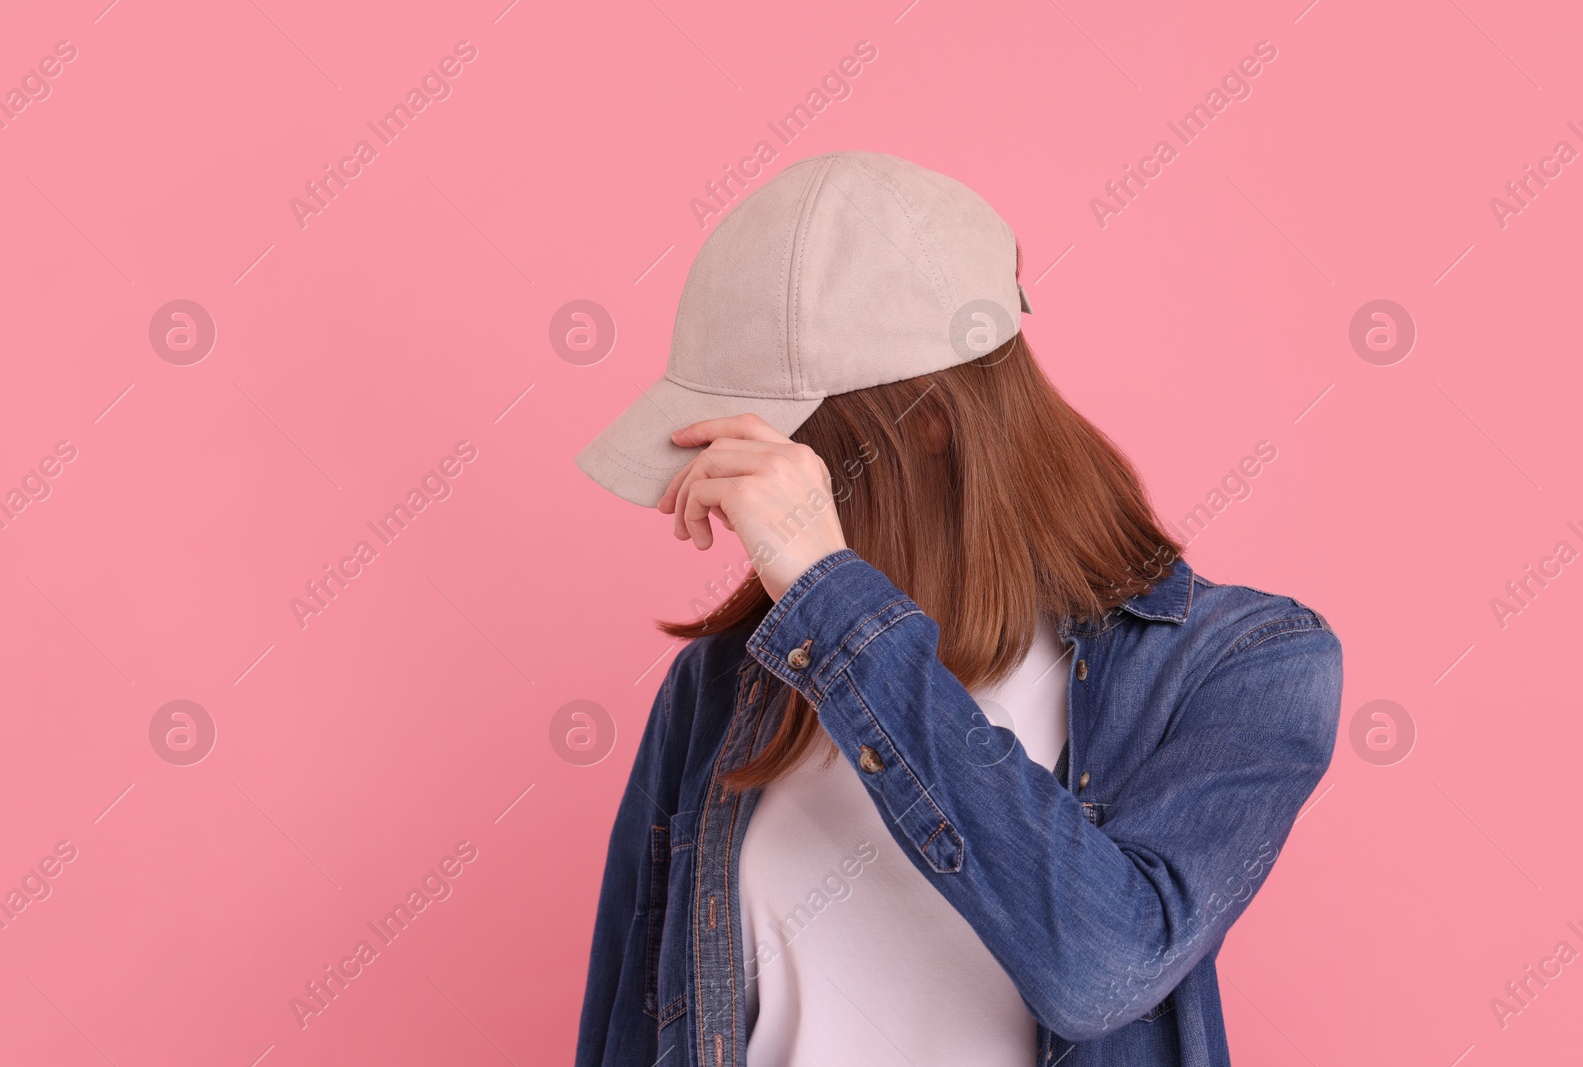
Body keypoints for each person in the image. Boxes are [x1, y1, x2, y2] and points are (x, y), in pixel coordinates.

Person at [572, 150, 1342, 1067]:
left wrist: (832, 595)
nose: (743, 511)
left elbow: (1103, 966)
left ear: (928, 426)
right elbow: (628, 1026)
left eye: (783, 462)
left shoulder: (1245, 663)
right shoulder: (727, 684)